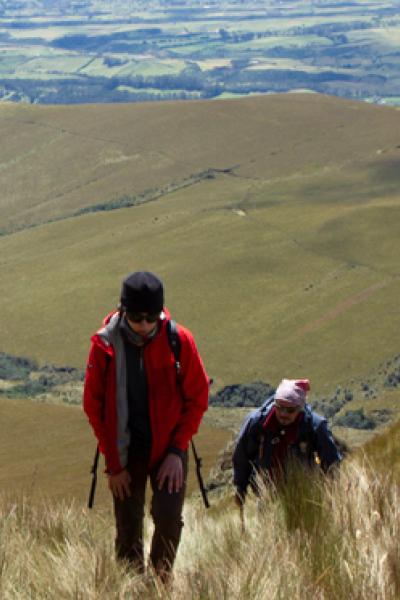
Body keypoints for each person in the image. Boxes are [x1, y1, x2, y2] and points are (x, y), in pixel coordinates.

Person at [83, 271, 209, 581]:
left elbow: (197, 398)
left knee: (168, 518)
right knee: (128, 529)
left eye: (152, 317)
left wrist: (177, 451)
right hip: (126, 451)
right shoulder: (104, 346)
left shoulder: (179, 341)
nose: (144, 325)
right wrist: (114, 466)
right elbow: (94, 407)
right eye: (137, 317)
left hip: (169, 445)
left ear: (161, 312)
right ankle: (132, 588)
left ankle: (160, 583)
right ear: (123, 309)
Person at [232, 379, 341, 505]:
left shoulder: (315, 426)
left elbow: (332, 462)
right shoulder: (257, 423)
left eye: (290, 410)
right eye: (279, 407)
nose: (283, 414)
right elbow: (242, 457)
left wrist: (330, 494)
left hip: (304, 495)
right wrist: (240, 488)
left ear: (300, 408)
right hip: (267, 495)